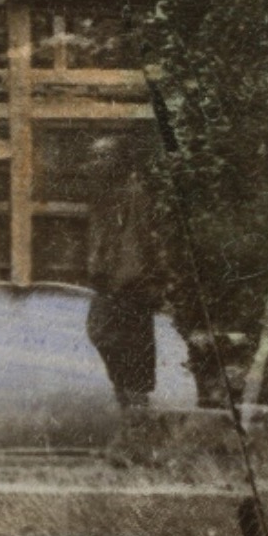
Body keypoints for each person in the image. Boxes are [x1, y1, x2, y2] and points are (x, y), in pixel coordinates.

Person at [86, 137, 173, 465]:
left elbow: (139, 248)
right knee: (111, 351)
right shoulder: (106, 198)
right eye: (93, 158)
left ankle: (139, 445)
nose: (95, 164)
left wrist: (128, 285)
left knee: (134, 371)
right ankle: (131, 439)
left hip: (129, 292)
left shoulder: (136, 196)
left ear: (120, 161)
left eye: (102, 157)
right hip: (111, 291)